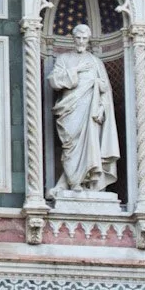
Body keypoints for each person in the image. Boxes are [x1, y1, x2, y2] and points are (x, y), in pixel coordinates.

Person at [49, 22, 120, 194]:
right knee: (70, 145)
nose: (81, 41)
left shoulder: (96, 62)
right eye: (78, 38)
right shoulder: (63, 59)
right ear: (73, 39)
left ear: (89, 40)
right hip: (70, 110)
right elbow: (54, 81)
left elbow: (106, 91)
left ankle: (81, 183)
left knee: (90, 146)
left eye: (84, 38)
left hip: (91, 112)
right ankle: (70, 182)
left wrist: (102, 108)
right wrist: (76, 70)